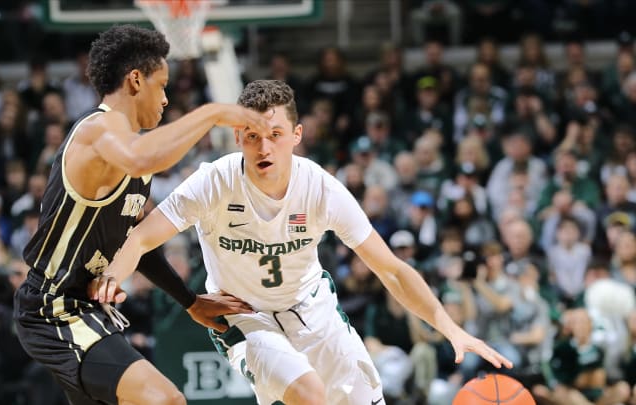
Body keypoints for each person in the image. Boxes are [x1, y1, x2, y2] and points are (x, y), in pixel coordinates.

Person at [92, 80, 512, 404]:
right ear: (237, 137)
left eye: (274, 134)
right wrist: (112, 275)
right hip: (244, 315)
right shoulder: (213, 181)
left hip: (312, 308)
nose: (264, 146)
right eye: (252, 135)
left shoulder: (321, 188)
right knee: (311, 395)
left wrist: (449, 327)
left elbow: (392, 269)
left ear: (296, 135)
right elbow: (143, 235)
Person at [13, 25, 267, 405]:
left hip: (84, 307)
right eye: (161, 86)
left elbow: (136, 241)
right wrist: (213, 113)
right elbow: (144, 155)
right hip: (54, 309)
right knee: (166, 400)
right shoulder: (99, 129)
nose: (165, 99)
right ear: (135, 81)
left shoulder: (130, 153)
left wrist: (189, 301)